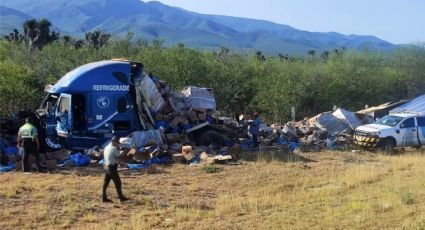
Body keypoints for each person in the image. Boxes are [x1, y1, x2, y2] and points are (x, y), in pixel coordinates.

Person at [102, 136, 129, 203]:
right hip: (112, 168)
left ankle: (104, 198)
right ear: (114, 142)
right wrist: (128, 150)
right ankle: (121, 198)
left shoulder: (107, 147)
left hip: (106, 166)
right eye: (117, 143)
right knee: (118, 183)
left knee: (105, 183)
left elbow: (113, 158)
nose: (118, 144)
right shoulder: (114, 149)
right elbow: (121, 156)